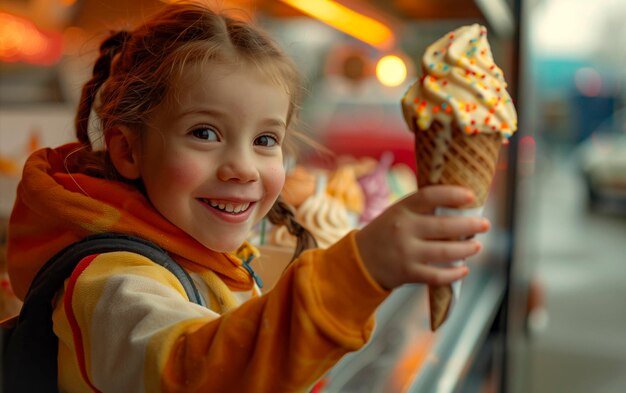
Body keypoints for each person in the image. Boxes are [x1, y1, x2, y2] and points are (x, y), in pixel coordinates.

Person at [6, 2, 490, 392]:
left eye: (265, 141)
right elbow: (204, 372)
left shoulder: (208, 256)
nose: (241, 167)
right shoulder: (111, 285)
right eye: (204, 132)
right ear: (128, 151)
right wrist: (359, 270)